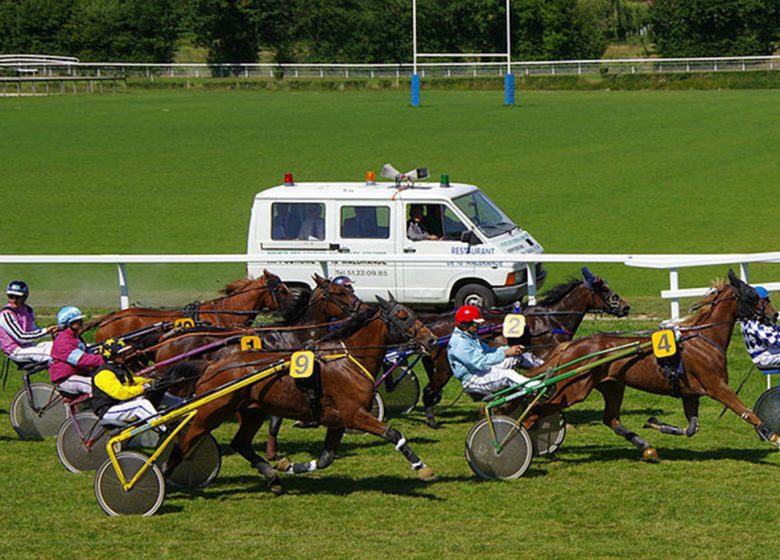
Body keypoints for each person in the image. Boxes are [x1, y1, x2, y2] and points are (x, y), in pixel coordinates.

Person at [447, 305, 542, 395]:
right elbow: (480, 363)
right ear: (465, 324)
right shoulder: (459, 343)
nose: (479, 326)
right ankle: (537, 387)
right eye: (476, 324)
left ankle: (545, 366)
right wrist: (505, 353)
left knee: (517, 356)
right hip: (473, 380)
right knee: (508, 374)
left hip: (485, 370)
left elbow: (490, 351)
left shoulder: (471, 337)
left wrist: (511, 350)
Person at [90, 339, 161, 425]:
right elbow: (121, 393)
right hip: (109, 410)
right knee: (142, 405)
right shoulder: (103, 374)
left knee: (155, 392)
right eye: (121, 354)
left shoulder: (118, 367)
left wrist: (152, 381)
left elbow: (131, 381)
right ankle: (163, 429)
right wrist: (144, 387)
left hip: (121, 404)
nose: (124, 355)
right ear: (112, 356)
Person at [49, 306, 104, 396]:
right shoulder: (63, 340)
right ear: (68, 324)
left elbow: (87, 352)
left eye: (80, 320)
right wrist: (103, 359)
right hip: (66, 379)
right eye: (75, 321)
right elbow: (81, 360)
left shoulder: (75, 337)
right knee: (97, 386)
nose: (80, 322)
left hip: (79, 373)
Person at [0, 280, 56, 365]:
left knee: (62, 346)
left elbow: (32, 331)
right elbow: (21, 337)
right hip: (15, 350)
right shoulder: (6, 314)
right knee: (56, 355)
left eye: (17, 297)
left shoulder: (28, 310)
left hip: (28, 346)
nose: (14, 300)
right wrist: (45, 331)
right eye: (11, 296)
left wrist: (52, 331)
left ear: (25, 297)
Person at [740, 286, 780, 369]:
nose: (768, 302)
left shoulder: (757, 318)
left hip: (769, 352)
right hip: (763, 358)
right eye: (766, 300)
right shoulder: (752, 324)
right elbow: (775, 340)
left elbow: (776, 330)